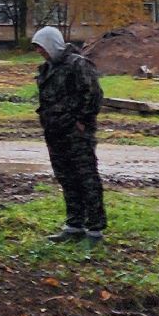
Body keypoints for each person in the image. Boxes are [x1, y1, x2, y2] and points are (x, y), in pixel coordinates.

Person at [31, 25, 106, 242]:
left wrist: (81, 121)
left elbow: (93, 95)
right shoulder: (47, 69)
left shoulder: (77, 64)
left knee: (86, 178)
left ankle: (95, 230)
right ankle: (74, 226)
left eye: (41, 46)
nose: (39, 51)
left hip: (76, 134)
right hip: (55, 132)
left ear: (52, 44)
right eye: (37, 48)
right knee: (66, 178)